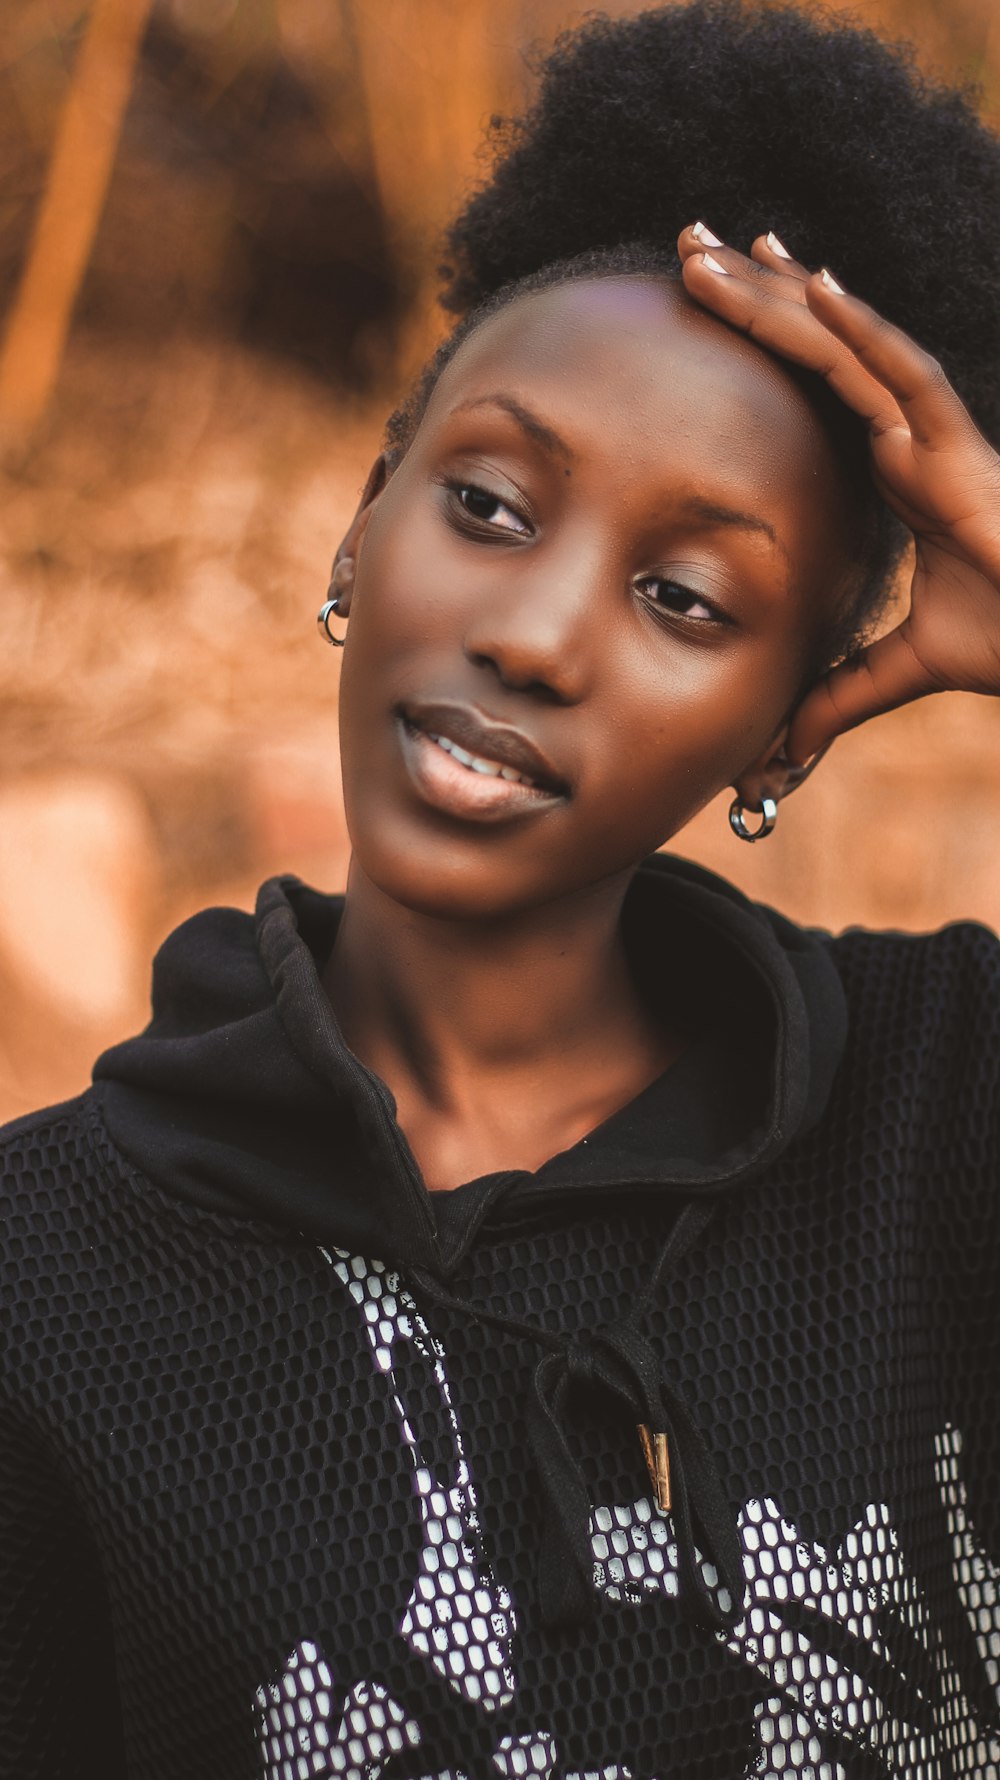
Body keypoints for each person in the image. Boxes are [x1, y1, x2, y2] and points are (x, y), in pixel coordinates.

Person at [3, 1, 1000, 1774]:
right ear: (362, 528)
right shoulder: (45, 1284)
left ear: (787, 728)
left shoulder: (950, 1103)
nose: (532, 634)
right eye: (485, 504)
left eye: (687, 599)